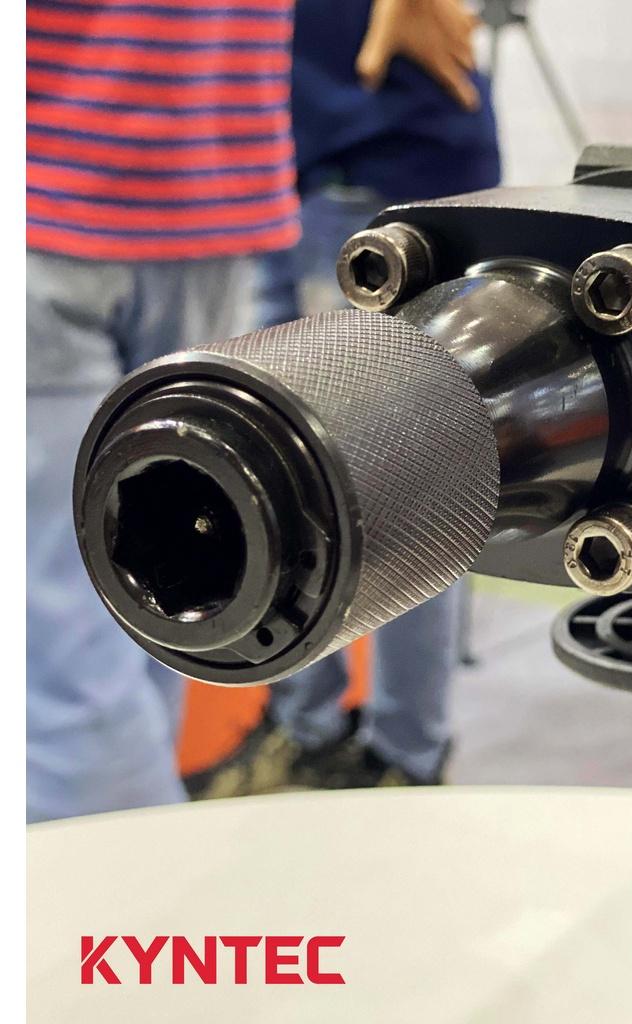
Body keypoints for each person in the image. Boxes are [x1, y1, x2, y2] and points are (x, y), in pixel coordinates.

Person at [186, 0, 500, 798]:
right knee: (294, 473)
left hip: (368, 164)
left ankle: (394, 751)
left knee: (405, 475)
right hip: (300, 164)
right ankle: (329, 732)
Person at [26, 0, 300, 821]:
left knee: (70, 636)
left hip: (52, 188)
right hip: (206, 183)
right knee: (155, 591)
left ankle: (122, 886)